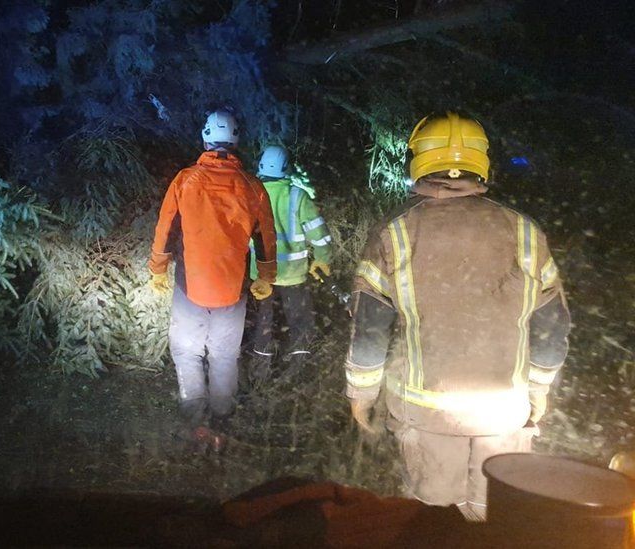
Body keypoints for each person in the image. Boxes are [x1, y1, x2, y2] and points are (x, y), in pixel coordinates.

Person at [344, 112, 571, 522]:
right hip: (504, 414)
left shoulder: (395, 233)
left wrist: (361, 394)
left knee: (436, 521)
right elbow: (552, 325)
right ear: (481, 163)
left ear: (419, 162)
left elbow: (369, 329)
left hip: (427, 413)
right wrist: (539, 388)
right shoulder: (524, 232)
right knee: (494, 520)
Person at [148, 109, 276, 444]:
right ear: (236, 142)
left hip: (191, 285)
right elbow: (265, 236)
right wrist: (266, 275)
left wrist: (158, 268)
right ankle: (222, 419)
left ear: (205, 138)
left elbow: (167, 228)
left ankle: (195, 421)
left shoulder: (185, 180)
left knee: (187, 351)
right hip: (233, 289)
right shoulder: (253, 187)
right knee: (223, 355)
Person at [247, 146, 333, 384]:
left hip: (263, 276)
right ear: (287, 168)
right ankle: (298, 375)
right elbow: (319, 234)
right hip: (295, 275)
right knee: (299, 322)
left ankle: (259, 376)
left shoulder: (252, 195)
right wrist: (323, 259)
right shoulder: (298, 196)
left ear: (261, 165)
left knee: (264, 322)